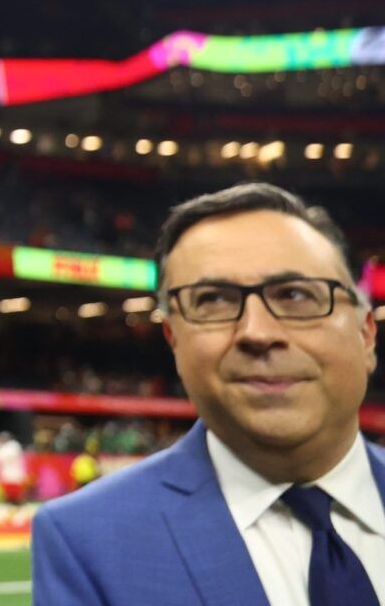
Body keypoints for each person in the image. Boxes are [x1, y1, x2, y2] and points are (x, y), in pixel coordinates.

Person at [33, 183, 385, 604]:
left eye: (295, 295)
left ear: (366, 336)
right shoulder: (86, 540)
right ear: (173, 339)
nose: (258, 333)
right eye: (213, 300)